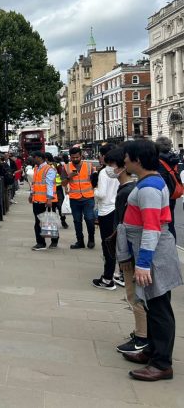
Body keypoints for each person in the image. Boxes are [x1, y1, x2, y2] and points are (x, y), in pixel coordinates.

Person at [118, 140, 182, 381]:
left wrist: (144, 263)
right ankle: (153, 351)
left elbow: (152, 228)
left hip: (154, 254)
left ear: (137, 160)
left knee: (159, 309)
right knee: (153, 305)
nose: (124, 161)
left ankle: (162, 363)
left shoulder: (149, 189)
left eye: (127, 157)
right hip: (150, 251)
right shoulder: (149, 183)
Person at [105, 145, 146, 355]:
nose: (109, 169)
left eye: (111, 165)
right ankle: (142, 333)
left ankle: (141, 338)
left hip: (131, 252)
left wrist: (124, 257)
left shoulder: (127, 192)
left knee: (134, 296)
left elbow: (124, 228)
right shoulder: (131, 188)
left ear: (122, 166)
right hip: (132, 251)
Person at [92, 143, 120, 289]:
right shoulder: (120, 170)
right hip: (117, 210)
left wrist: (94, 190)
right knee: (116, 244)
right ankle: (119, 274)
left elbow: (101, 194)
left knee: (107, 244)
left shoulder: (104, 172)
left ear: (104, 156)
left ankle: (108, 278)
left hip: (106, 211)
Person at [63, 146, 96, 249]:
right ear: (70, 157)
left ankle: (91, 239)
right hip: (74, 198)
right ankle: (80, 241)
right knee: (77, 221)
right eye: (73, 157)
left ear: (81, 156)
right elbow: (63, 183)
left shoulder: (89, 166)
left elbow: (95, 181)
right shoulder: (66, 167)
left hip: (88, 198)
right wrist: (69, 177)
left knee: (89, 219)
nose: (75, 159)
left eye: (77, 157)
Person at [29, 151, 58, 251]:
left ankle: (53, 241)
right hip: (37, 200)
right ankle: (41, 242)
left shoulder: (49, 169)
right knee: (38, 222)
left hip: (46, 201)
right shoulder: (37, 168)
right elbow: (34, 183)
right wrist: (31, 194)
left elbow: (49, 184)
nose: (33, 159)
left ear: (40, 158)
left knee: (49, 221)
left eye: (34, 157)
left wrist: (49, 199)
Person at [155, 136, 180, 240]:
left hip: (163, 195)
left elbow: (160, 180)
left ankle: (167, 245)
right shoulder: (173, 158)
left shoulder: (158, 161)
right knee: (171, 222)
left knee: (163, 224)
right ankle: (173, 245)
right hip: (172, 194)